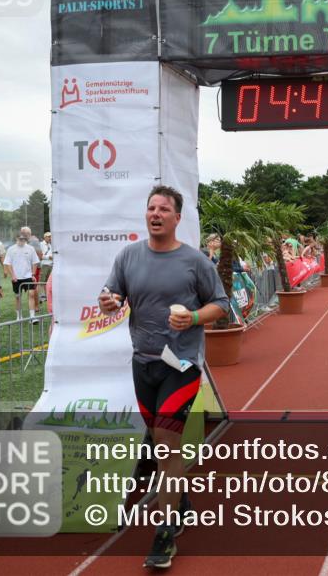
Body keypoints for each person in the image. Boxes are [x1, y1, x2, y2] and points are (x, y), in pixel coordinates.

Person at [98, 185, 229, 569]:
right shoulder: (128, 256)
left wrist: (192, 318)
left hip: (182, 365)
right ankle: (183, 501)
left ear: (176, 217)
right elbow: (112, 296)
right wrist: (110, 301)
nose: (155, 213)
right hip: (144, 363)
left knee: (168, 444)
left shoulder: (194, 261)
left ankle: (165, 533)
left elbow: (220, 304)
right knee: (159, 444)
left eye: (163, 209)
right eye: (151, 208)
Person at [5, 234, 39, 321]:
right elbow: (8, 263)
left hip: (28, 276)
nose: (22, 240)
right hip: (16, 278)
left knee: (31, 294)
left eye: (23, 239)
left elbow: (35, 262)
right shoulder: (11, 249)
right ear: (16, 239)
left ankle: (32, 317)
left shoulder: (30, 248)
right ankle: (19, 316)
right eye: (20, 239)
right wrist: (12, 275)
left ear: (26, 239)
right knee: (18, 297)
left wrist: (33, 274)